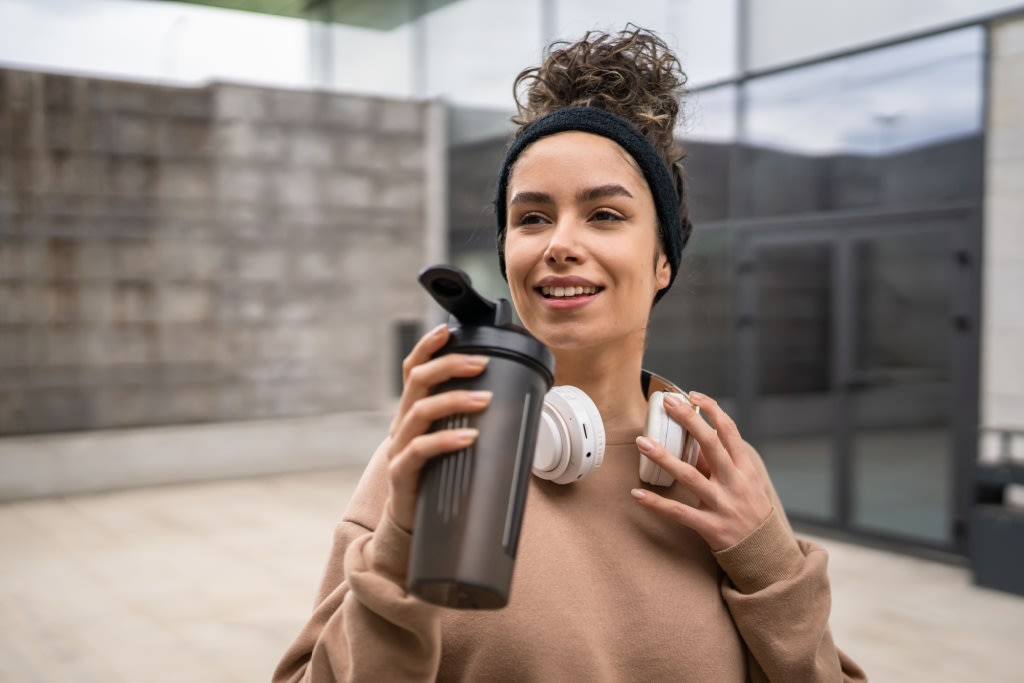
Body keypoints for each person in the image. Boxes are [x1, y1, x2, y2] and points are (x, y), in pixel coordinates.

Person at [274, 26, 867, 682]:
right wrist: (399, 552)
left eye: (605, 215)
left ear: (662, 259)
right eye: (531, 218)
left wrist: (771, 566)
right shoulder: (434, 451)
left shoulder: (718, 469)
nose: (559, 243)